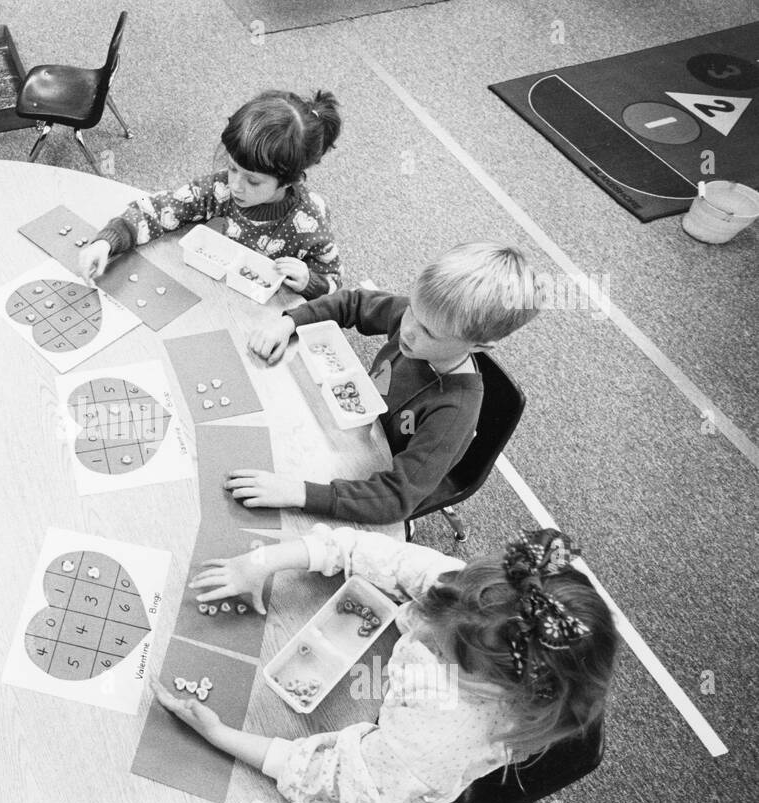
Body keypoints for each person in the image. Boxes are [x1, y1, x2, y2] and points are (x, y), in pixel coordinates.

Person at [155, 526, 617, 803]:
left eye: (438, 646)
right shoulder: (478, 597)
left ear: (491, 689)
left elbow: (331, 778)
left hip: (403, 766)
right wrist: (263, 561)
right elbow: (385, 556)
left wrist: (221, 736)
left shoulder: (433, 742)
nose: (425, 625)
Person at [235, 242, 537, 524]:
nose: (407, 330)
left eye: (429, 332)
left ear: (479, 346)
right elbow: (352, 303)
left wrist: (299, 493)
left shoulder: (454, 411)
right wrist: (288, 322)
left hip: (373, 476)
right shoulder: (424, 320)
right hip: (353, 433)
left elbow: (396, 497)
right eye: (411, 312)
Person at [79, 89, 343, 298]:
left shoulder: (310, 223)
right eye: (232, 168)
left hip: (264, 317)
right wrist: (107, 241)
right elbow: (158, 209)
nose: (236, 185)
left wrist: (311, 282)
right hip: (217, 294)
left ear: (288, 182)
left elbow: (334, 282)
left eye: (253, 181)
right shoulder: (221, 189)